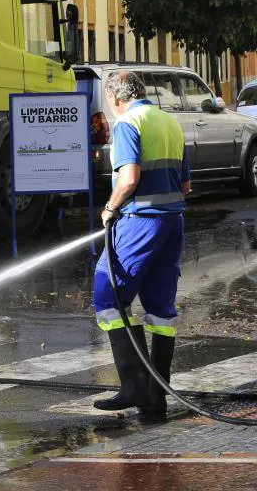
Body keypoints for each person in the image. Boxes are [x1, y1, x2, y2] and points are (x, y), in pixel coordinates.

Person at [92, 72, 191, 419]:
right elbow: (186, 185)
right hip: (172, 222)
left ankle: (134, 386)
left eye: (108, 103)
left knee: (107, 295)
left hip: (139, 222)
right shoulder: (169, 123)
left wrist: (110, 208)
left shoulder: (127, 123)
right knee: (160, 309)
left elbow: (129, 178)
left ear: (115, 98)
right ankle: (155, 394)